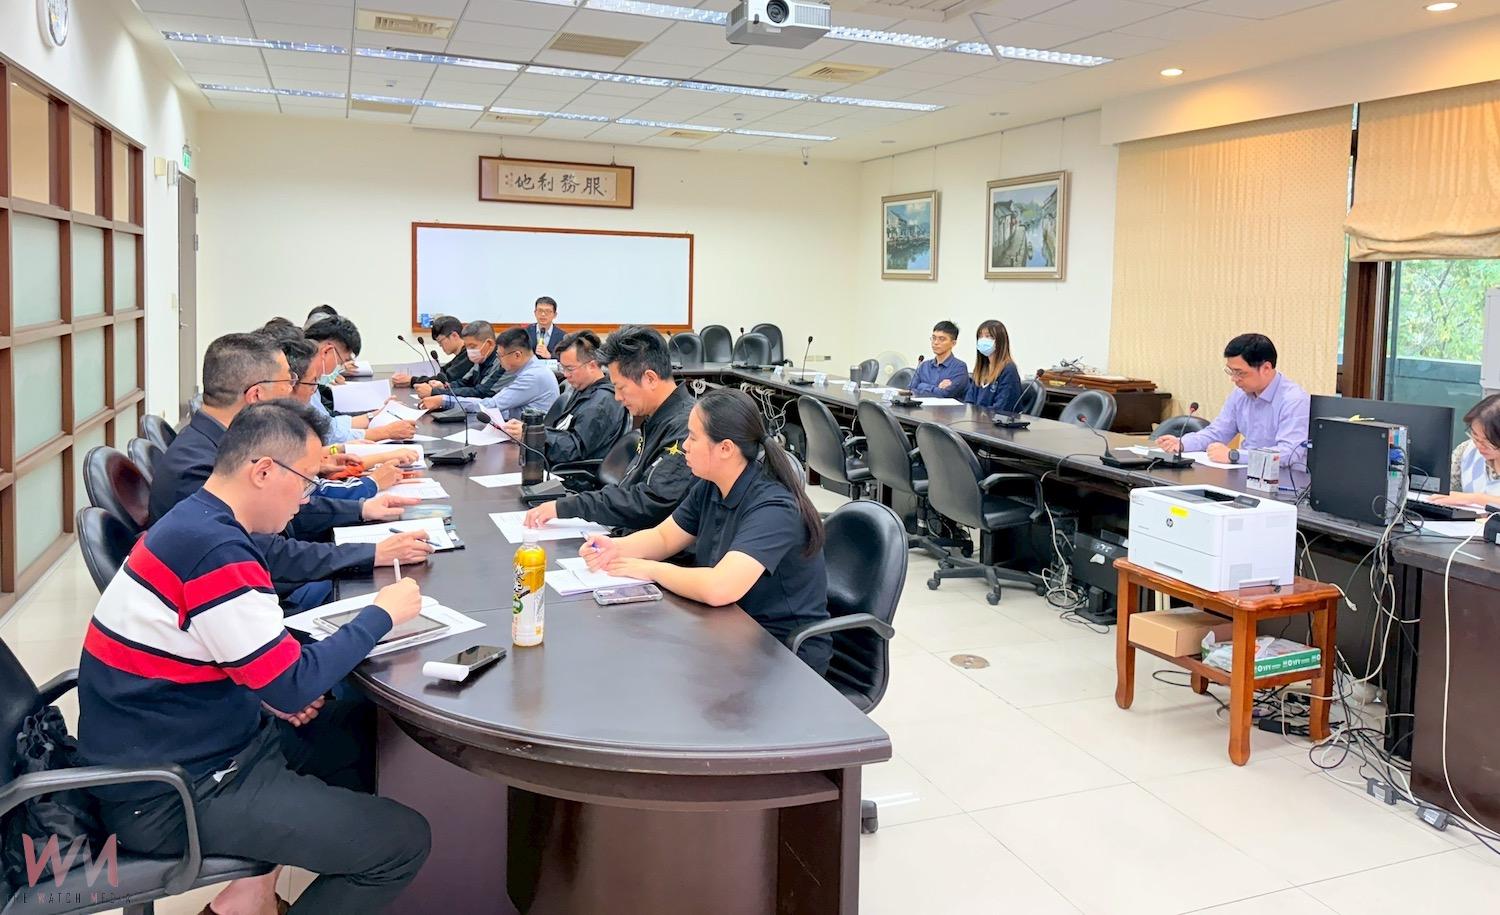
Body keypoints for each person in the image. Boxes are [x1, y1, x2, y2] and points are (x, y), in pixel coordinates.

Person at [78, 400, 431, 915]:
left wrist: (270, 693)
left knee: (364, 730)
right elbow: (292, 685)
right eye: (306, 481)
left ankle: (253, 892)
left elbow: (245, 662)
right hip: (173, 791)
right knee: (402, 843)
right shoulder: (213, 549)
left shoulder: (199, 520)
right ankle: (262, 886)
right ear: (263, 471)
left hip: (200, 739)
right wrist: (382, 613)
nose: (306, 498)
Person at [151, 333, 432, 600]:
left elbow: (287, 511)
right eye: (288, 380)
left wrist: (361, 508)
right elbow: (265, 553)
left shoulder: (224, 442)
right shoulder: (199, 468)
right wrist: (373, 554)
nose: (294, 389)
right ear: (256, 395)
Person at [580, 388, 831, 672]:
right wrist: (615, 548)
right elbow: (664, 537)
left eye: (693, 437)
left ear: (725, 448)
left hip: (781, 655)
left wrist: (649, 569)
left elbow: (720, 587)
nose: (684, 446)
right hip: (729, 630)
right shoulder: (712, 484)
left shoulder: (774, 507)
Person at [524, 325, 693, 532]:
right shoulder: (658, 417)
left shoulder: (686, 427)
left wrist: (569, 506)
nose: (618, 397)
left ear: (650, 378)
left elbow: (650, 502)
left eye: (621, 387)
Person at [275, 334, 419, 500]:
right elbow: (310, 496)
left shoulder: (289, 409)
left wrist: (338, 450)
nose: (315, 390)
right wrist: (372, 483)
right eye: (313, 382)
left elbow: (319, 448)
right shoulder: (273, 426)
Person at [1157, 333, 1311, 466]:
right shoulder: (1240, 394)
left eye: (1240, 373)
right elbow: (1217, 432)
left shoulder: (1294, 400)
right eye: (1231, 371)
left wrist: (1234, 456)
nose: (1234, 379)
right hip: (1247, 473)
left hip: (1284, 480)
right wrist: (1182, 443)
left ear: (1266, 368)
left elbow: (1288, 453)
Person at [501, 330, 628, 464]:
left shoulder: (600, 403)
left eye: (570, 369)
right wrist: (530, 431)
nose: (566, 375)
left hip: (573, 472)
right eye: (563, 368)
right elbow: (562, 431)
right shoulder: (583, 389)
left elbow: (572, 450)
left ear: (592, 365)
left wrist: (531, 435)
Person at [304, 316, 415, 444]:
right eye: (341, 362)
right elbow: (328, 436)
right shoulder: (302, 381)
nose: (339, 367)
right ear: (327, 351)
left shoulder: (310, 380)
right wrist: (385, 433)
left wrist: (376, 415)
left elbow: (330, 425)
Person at [420, 327, 558, 421]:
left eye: (500, 355)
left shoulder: (532, 377)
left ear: (517, 355)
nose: (499, 360)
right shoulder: (529, 369)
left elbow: (490, 405)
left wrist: (444, 400)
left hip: (530, 439)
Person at [1433, 394, 1500, 510]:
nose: (1479, 445)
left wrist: (1475, 499)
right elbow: (1442, 487)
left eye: (1488, 441)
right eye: (1475, 435)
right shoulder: (1467, 450)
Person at [415, 320, 507, 401]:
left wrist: (435, 392)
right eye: (466, 347)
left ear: (489, 344)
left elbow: (481, 392)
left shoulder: (503, 362)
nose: (469, 351)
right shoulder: (481, 358)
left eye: (472, 346)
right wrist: (444, 387)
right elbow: (464, 382)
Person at [392, 315, 468, 388]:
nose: (440, 345)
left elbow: (446, 379)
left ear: (454, 335)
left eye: (440, 341)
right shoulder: (461, 355)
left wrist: (412, 380)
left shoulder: (468, 355)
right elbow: (443, 372)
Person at [963, 319, 1022, 412]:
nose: (983, 340)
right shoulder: (981, 368)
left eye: (988, 336)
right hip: (977, 419)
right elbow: (969, 401)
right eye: (980, 336)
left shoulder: (1008, 369)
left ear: (1000, 341)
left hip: (995, 420)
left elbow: (1002, 407)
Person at [910, 320, 969, 400]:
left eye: (942, 339)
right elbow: (910, 390)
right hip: (921, 407)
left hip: (946, 408)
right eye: (934, 338)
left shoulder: (959, 367)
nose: (935, 342)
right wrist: (936, 388)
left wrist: (921, 386)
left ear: (953, 343)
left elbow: (945, 394)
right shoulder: (924, 365)